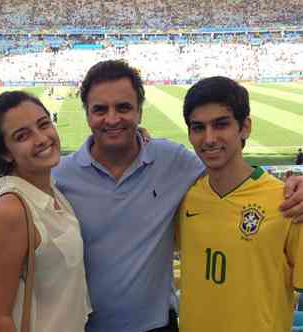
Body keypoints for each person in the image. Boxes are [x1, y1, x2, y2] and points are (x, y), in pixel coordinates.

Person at [52, 60, 303, 332]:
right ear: (87, 114)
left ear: (139, 112)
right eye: (100, 109)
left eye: (123, 107)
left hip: (158, 327)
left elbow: (235, 180)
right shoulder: (60, 177)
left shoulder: (174, 162)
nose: (112, 119)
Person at [177, 76, 303, 332]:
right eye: (198, 127)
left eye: (220, 124)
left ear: (245, 127)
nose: (209, 138)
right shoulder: (184, 197)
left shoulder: (289, 203)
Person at [0, 91, 91, 332]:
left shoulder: (50, 188)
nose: (41, 138)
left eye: (44, 124)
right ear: (5, 152)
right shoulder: (12, 209)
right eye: (22, 136)